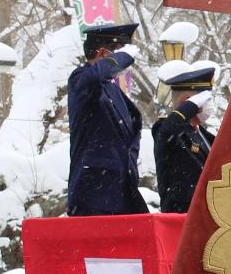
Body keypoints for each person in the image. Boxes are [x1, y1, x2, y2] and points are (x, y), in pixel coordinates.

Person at [66, 22, 147, 217]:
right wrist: (124, 56)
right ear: (103, 53)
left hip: (121, 193)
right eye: (117, 51)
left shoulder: (112, 89)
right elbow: (94, 78)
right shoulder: (82, 80)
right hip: (93, 194)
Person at [151, 59, 218, 214]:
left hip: (205, 215)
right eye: (206, 100)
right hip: (182, 217)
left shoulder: (203, 135)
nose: (210, 105)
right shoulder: (167, 130)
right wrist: (188, 107)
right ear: (188, 102)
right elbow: (168, 130)